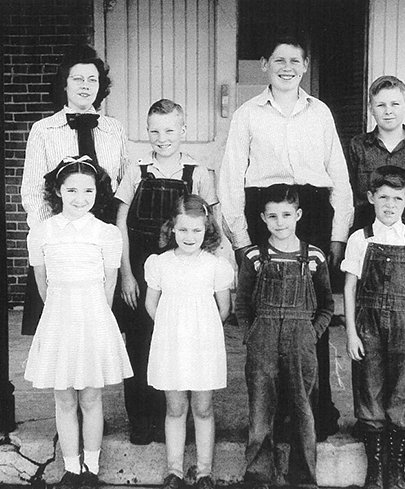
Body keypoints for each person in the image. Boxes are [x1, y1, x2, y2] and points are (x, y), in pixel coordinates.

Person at [218, 31, 353, 441]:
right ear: (265, 66)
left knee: (313, 317)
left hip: (310, 213)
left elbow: (339, 176)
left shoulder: (321, 113)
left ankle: (315, 416)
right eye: (279, 61)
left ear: (305, 66)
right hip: (267, 215)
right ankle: (271, 419)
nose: (287, 68)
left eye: (295, 61)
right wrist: (242, 241)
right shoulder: (247, 114)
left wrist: (338, 234)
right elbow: (230, 179)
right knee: (266, 320)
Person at [24, 155, 133, 487]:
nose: (80, 198)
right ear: (58, 191)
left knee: (90, 396)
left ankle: (92, 469)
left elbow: (110, 287)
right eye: (71, 190)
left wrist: (96, 319)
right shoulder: (41, 233)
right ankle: (71, 469)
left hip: (93, 317)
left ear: (98, 192)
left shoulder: (107, 233)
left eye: (88, 190)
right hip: (58, 318)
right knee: (64, 397)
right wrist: (60, 310)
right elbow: (43, 284)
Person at [114, 99, 217, 445]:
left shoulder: (197, 174)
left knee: (179, 346)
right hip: (143, 271)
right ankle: (142, 421)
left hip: (183, 273)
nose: (162, 138)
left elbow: (212, 229)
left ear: (183, 131)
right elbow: (120, 226)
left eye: (170, 130)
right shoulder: (136, 171)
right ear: (147, 132)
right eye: (155, 131)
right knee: (141, 344)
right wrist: (127, 274)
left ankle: (176, 421)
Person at [347, 75, 405, 441]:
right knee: (369, 332)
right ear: (371, 108)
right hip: (371, 235)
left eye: (395, 104)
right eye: (380, 104)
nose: (388, 111)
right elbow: (356, 197)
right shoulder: (358, 145)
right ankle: (369, 417)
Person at [21, 45, 129, 336]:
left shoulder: (114, 129)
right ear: (64, 84)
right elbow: (32, 191)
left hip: (101, 236)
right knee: (63, 328)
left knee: (100, 325)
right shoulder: (44, 130)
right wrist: (51, 238)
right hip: (60, 241)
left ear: (100, 86)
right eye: (77, 79)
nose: (85, 86)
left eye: (92, 80)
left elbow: (125, 185)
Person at [341, 166, 405, 489]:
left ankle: (395, 471)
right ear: (371, 198)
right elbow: (350, 287)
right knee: (370, 389)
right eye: (383, 197)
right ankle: (374, 471)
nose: (390, 205)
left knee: (403, 390)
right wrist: (351, 332)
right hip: (367, 326)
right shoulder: (360, 239)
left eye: (397, 198)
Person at [236, 185, 334, 489]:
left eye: (287, 215)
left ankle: (303, 477)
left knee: (303, 410)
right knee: (261, 411)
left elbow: (327, 304)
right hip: (262, 338)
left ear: (298, 215)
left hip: (300, 339)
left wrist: (311, 334)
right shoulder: (254, 256)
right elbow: (242, 304)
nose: (280, 222)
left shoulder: (314, 256)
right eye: (273, 216)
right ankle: (257, 476)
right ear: (263, 219)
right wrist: (251, 334)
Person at [144, 195, 234, 489]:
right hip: (171, 343)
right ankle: (175, 471)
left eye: (196, 230)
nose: (189, 236)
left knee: (204, 408)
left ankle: (205, 472)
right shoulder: (160, 263)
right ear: (171, 228)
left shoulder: (215, 265)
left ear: (206, 230)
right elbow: (151, 305)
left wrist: (199, 327)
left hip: (203, 343)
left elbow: (223, 309)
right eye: (182, 230)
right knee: (175, 408)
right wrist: (173, 326)